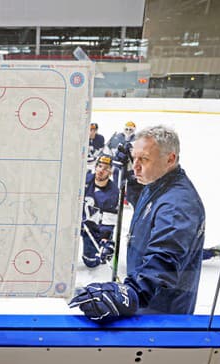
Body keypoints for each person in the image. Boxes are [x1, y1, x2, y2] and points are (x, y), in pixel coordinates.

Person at [70, 125, 205, 320]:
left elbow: (165, 259)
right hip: (147, 301)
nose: (136, 166)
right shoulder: (159, 182)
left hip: (160, 312)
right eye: (135, 158)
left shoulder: (178, 205)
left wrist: (132, 292)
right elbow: (142, 200)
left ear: (170, 159)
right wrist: (129, 177)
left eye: (144, 159)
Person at [81, 154, 118, 268]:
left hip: (93, 227)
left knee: (91, 262)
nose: (102, 170)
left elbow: (109, 217)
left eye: (106, 168)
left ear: (110, 172)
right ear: (95, 167)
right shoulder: (84, 180)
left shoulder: (113, 192)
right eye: (100, 166)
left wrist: (105, 236)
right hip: (76, 221)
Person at [108, 121, 144, 207]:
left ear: (134, 130)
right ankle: (117, 198)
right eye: (126, 129)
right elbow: (111, 151)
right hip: (118, 166)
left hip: (130, 167)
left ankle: (128, 198)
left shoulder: (137, 139)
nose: (128, 131)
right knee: (117, 182)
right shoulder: (117, 137)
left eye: (130, 129)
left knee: (131, 183)